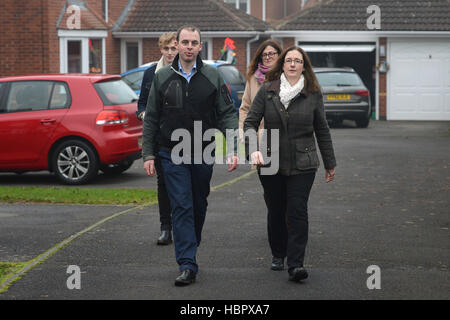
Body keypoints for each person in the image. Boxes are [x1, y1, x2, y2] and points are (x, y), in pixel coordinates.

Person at [142, 25, 239, 286]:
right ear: (178, 43)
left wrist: (231, 148)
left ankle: (190, 244)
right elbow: (151, 117)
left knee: (198, 203)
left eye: (193, 42)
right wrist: (148, 154)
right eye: (184, 42)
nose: (188, 46)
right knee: (181, 204)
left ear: (200, 46)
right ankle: (187, 263)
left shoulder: (212, 76)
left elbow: (228, 113)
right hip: (170, 153)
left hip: (203, 151)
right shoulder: (162, 77)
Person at [244, 46, 336, 282]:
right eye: (289, 60)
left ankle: (296, 264)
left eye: (298, 61)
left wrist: (329, 162)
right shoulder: (267, 91)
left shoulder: (313, 93)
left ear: (304, 66)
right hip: (270, 160)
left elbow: (322, 129)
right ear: (282, 65)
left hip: (303, 161)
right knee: (276, 209)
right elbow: (250, 123)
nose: (293, 64)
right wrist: (253, 150)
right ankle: (278, 254)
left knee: (297, 210)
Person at [137, 32, 178, 245]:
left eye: (173, 49)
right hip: (159, 137)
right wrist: (145, 115)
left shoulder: (185, 71)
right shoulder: (151, 73)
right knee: (163, 183)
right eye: (166, 49)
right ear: (160, 49)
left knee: (182, 185)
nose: (170, 53)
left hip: (182, 138)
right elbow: (141, 103)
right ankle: (165, 227)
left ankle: (182, 225)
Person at [239, 40, 282, 142]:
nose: (267, 57)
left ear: (279, 55)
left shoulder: (285, 78)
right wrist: (244, 132)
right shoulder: (253, 79)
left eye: (271, 54)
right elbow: (245, 108)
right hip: (257, 138)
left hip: (280, 138)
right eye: (264, 55)